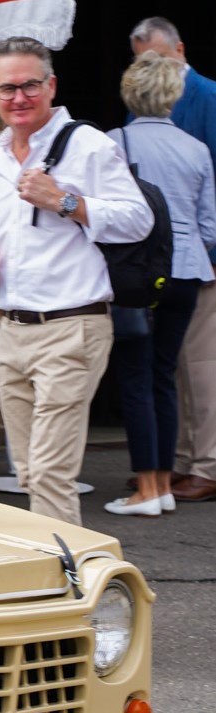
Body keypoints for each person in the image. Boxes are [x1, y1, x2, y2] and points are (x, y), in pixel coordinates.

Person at [0, 37, 153, 525]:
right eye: (8, 88)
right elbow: (8, 241)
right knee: (28, 472)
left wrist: (66, 201)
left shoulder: (87, 146)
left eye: (29, 85)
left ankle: (71, 581)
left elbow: (138, 219)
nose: (19, 98)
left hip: (73, 328)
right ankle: (61, 571)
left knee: (50, 473)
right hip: (13, 327)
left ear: (51, 86)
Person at [103, 54, 216, 515]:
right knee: (165, 377)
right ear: (171, 95)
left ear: (131, 92)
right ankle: (165, 485)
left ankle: (146, 490)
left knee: (135, 377)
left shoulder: (115, 141)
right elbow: (209, 228)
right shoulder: (196, 149)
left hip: (137, 273)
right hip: (188, 273)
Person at [130, 16, 216, 502]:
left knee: (202, 366)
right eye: (143, 60)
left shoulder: (208, 98)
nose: (152, 68)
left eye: (158, 58)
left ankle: (207, 463)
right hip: (159, 261)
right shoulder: (140, 112)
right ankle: (175, 462)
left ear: (179, 50)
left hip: (199, 258)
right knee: (170, 367)